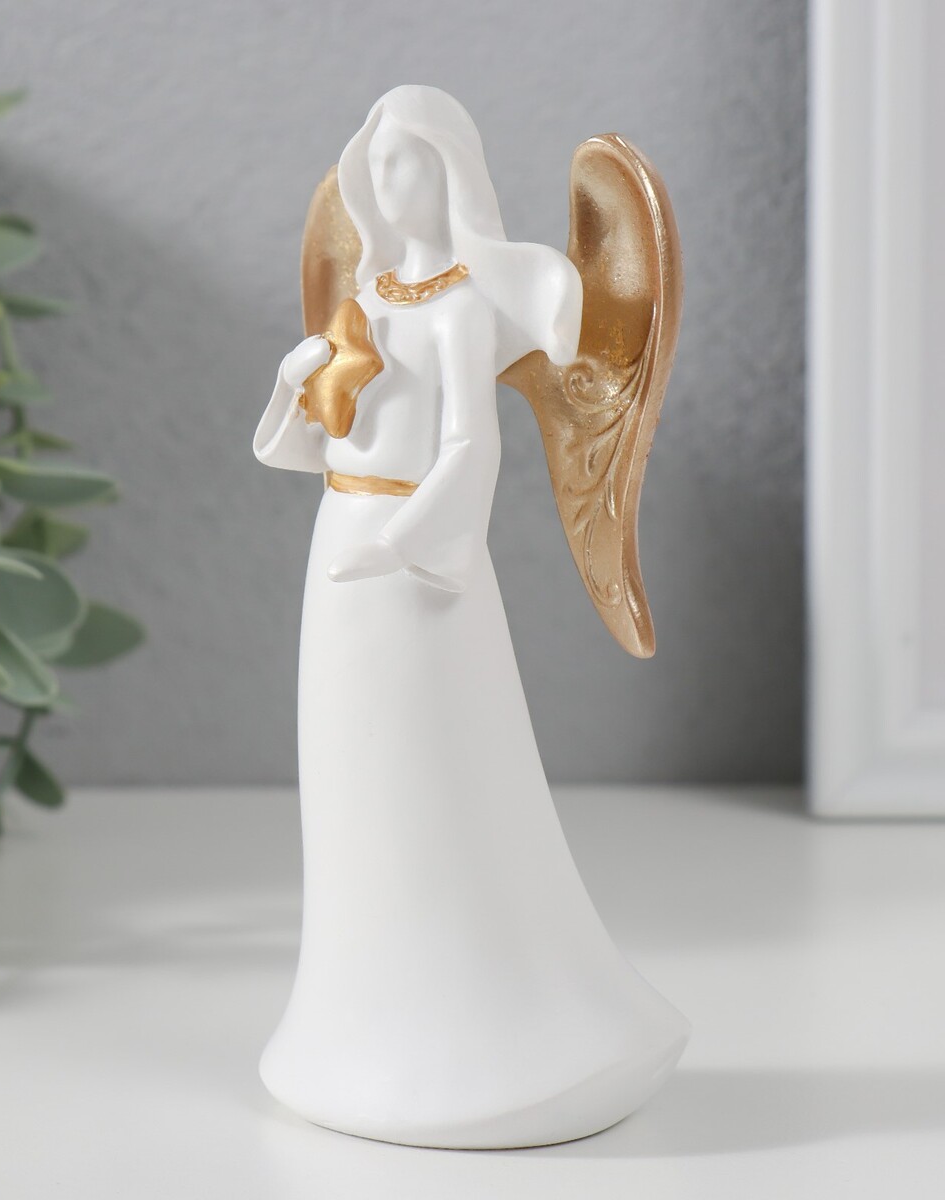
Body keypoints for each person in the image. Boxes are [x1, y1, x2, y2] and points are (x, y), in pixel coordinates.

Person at [253, 84, 688, 1150]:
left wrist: (407, 544)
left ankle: (492, 1033)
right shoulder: (367, 301)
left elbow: (469, 448)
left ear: (451, 174)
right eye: (379, 164)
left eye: (410, 162)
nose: (390, 181)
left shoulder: (459, 311)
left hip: (416, 566)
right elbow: (300, 451)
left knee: (438, 773)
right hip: (339, 556)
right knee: (354, 783)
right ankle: (352, 1019)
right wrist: (292, 382)